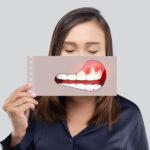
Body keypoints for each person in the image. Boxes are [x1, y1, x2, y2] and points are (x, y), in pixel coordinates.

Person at [0, 7, 149, 150]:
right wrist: (18, 133)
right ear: (55, 55)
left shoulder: (129, 116)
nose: (80, 59)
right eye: (69, 50)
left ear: (107, 55)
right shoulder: (33, 111)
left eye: (92, 50)